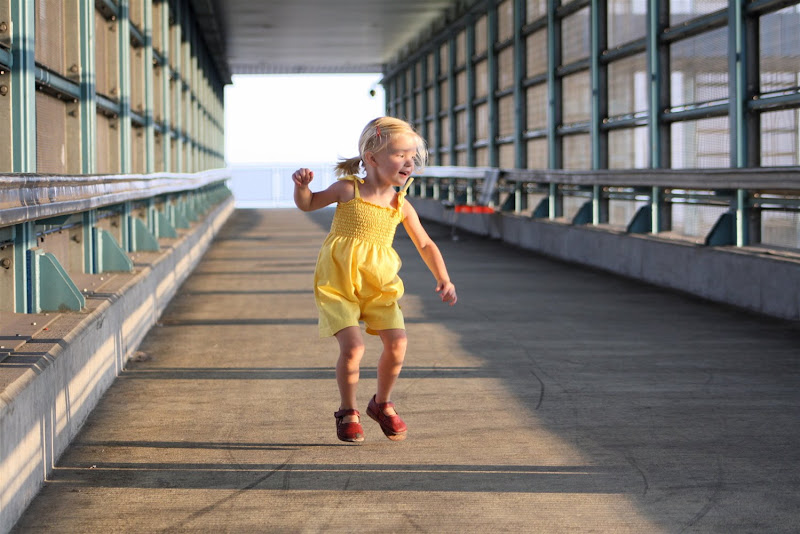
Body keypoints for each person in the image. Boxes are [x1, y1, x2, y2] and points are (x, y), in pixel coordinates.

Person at [292, 116, 457, 443]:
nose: (408, 162)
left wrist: (444, 277)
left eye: (412, 156)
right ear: (372, 158)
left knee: (397, 343)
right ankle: (348, 410)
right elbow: (308, 204)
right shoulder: (348, 189)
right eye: (400, 155)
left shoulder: (400, 205)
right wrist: (302, 188)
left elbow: (425, 244)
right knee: (353, 347)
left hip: (379, 286)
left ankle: (382, 403)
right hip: (339, 284)